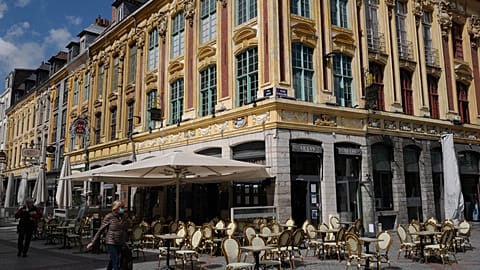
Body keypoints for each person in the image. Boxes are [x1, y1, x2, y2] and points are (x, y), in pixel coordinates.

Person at [87, 200, 129, 270]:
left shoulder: (124, 217)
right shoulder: (109, 217)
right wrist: (93, 242)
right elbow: (101, 230)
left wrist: (126, 240)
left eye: (123, 207)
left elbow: (125, 230)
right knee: (116, 261)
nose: (122, 209)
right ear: (115, 208)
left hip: (120, 241)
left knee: (113, 260)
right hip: (111, 241)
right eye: (121, 207)